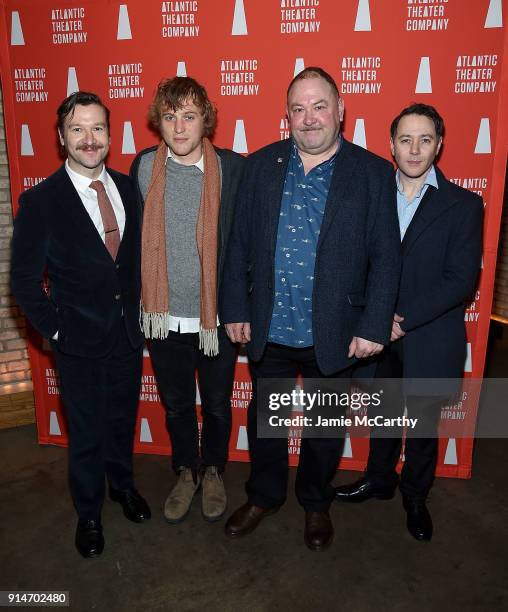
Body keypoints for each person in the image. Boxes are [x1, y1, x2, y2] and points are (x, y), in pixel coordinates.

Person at [220, 67, 401, 551]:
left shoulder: (373, 173)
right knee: (268, 423)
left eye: (320, 106)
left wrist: (374, 323)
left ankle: (316, 503)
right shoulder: (259, 166)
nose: (309, 118)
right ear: (287, 117)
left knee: (324, 430)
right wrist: (236, 306)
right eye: (298, 109)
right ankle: (263, 496)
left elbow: (386, 255)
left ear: (341, 110)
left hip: (337, 331)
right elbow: (236, 245)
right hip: (270, 326)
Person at [10, 91, 150, 558]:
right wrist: (57, 332)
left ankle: (122, 487)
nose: (89, 139)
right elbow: (25, 284)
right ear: (61, 137)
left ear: (110, 135)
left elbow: (131, 268)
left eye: (97, 129)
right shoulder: (41, 202)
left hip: (128, 337)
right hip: (77, 343)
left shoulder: (129, 188)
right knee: (86, 433)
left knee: (121, 422)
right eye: (77, 129)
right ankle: (89, 512)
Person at [335, 103, 483, 541]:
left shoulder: (463, 205)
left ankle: (415, 495)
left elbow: (460, 281)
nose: (414, 149)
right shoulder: (371, 195)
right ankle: (379, 480)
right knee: (381, 415)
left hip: (427, 335)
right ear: (391, 146)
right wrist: (374, 320)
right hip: (377, 336)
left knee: (421, 425)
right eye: (405, 139)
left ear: (439, 144)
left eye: (424, 139)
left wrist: (401, 320)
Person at [130, 77, 245, 524]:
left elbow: (243, 246)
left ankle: (213, 470)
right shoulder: (143, 168)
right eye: (170, 116)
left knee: (216, 405)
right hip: (162, 320)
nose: (179, 127)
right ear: (159, 122)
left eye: (190, 116)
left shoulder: (231, 169)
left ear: (206, 121)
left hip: (213, 320)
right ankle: (186, 471)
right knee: (177, 405)